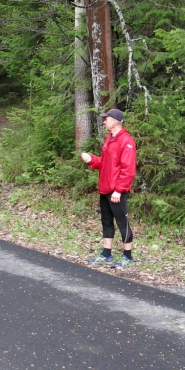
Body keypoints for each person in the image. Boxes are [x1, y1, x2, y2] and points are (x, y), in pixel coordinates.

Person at [80, 108, 137, 267]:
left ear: (115, 121)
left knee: (122, 222)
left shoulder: (126, 141)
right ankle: (106, 254)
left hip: (116, 191)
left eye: (106, 119)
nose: (104, 121)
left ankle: (127, 257)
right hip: (105, 188)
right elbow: (105, 163)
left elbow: (128, 169)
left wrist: (119, 190)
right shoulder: (109, 138)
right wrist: (91, 159)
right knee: (106, 221)